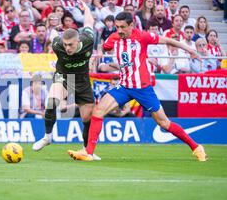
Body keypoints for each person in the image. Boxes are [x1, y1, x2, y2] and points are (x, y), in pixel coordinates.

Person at [68, 12, 208, 162]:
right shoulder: (115, 37)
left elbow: (167, 40)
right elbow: (105, 46)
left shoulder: (143, 36)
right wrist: (100, 54)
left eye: (122, 27)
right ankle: (88, 152)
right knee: (98, 111)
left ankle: (196, 147)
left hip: (143, 88)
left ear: (131, 26)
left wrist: (190, 50)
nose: (119, 30)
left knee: (164, 123)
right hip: (123, 86)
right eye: (117, 27)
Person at [32, 0, 100, 160]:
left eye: (70, 45)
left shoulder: (88, 39)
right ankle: (47, 137)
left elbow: (89, 21)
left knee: (87, 118)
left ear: (78, 41)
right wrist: (53, 27)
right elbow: (55, 35)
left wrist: (86, 9)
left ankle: (86, 150)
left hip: (82, 80)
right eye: (66, 44)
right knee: (51, 102)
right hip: (64, 77)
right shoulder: (58, 45)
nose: (67, 48)